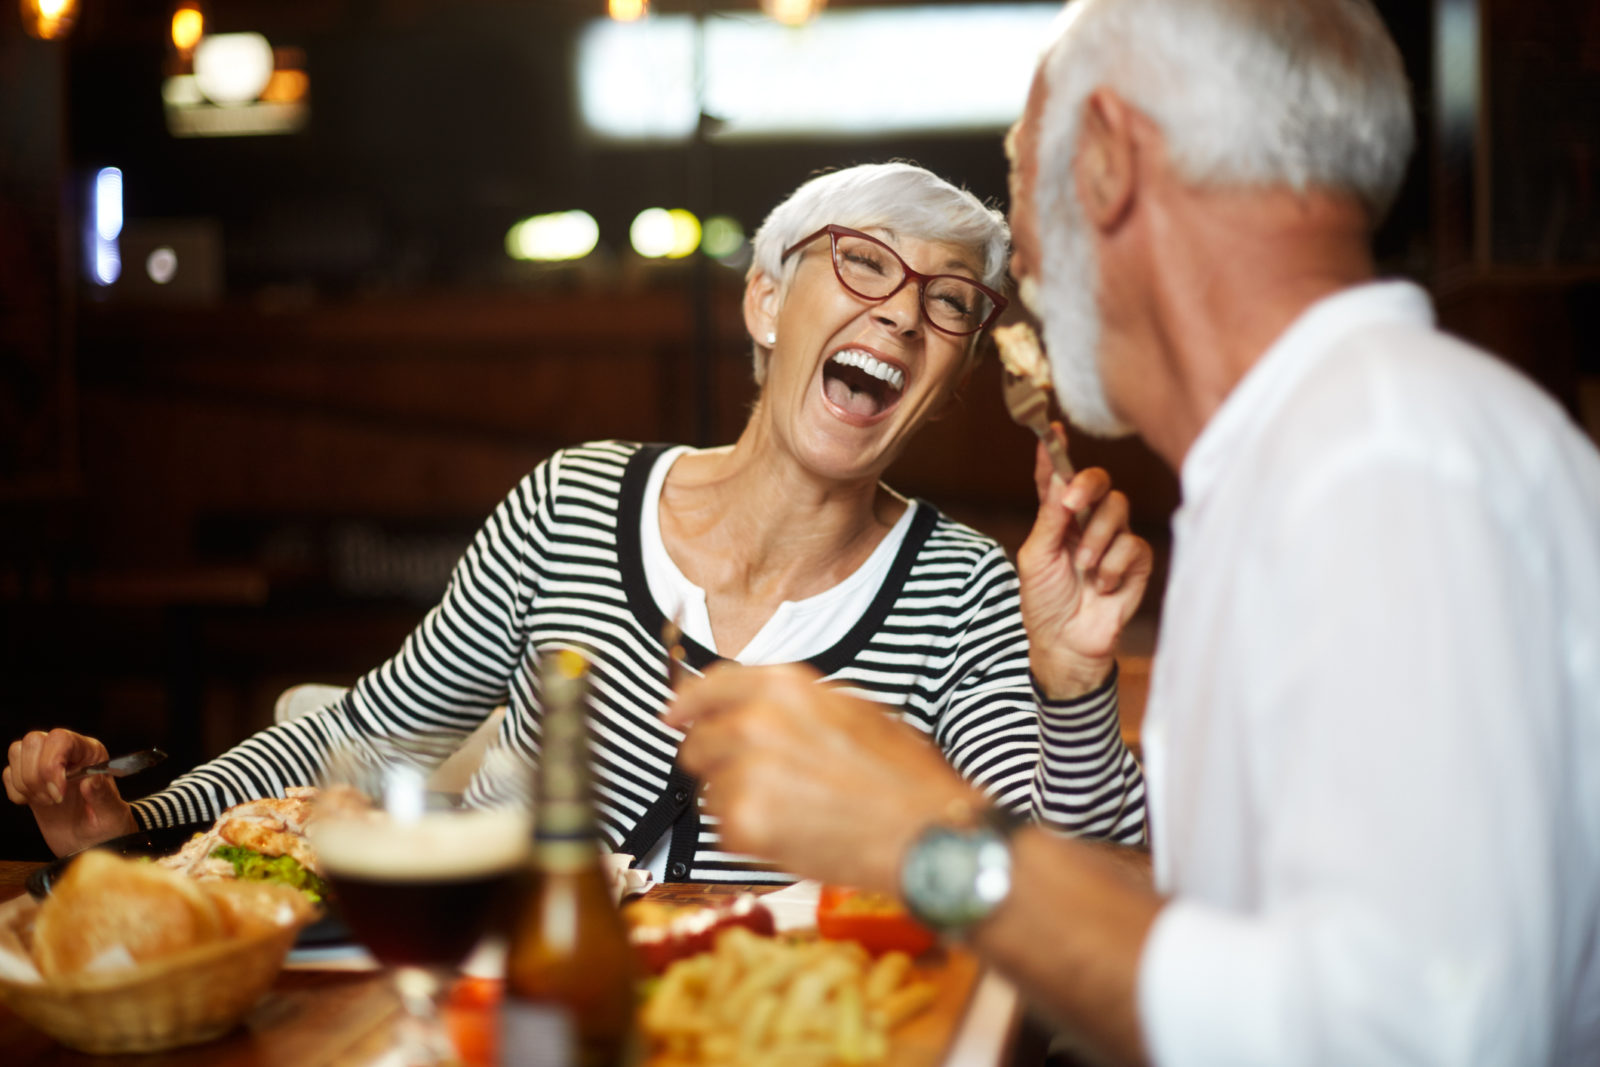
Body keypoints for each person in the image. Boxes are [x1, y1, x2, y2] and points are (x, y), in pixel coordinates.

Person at [665, 0, 1600, 1063]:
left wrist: (925, 836)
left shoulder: (1384, 465)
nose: (1014, 271)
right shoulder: (1310, 459)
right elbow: (1231, 950)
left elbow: (1412, 1036)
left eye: (1019, 180)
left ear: (1106, 160)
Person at [5, 162, 1153, 883]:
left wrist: (1073, 681)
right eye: (861, 266)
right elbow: (368, 738)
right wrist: (138, 819)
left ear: (950, 373)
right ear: (764, 300)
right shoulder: (570, 505)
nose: (899, 314)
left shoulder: (965, 589)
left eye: (946, 301)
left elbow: (1071, 881)